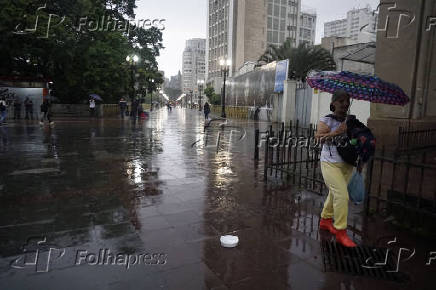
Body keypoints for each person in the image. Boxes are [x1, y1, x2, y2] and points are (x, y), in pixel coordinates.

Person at [315, 89, 356, 248]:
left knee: (335, 193)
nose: (345, 104)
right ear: (333, 103)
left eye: (347, 101)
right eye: (340, 101)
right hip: (330, 163)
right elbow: (319, 139)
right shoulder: (326, 120)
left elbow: (357, 139)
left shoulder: (351, 121)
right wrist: (337, 132)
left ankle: (325, 220)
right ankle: (340, 232)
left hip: (347, 163)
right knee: (342, 196)